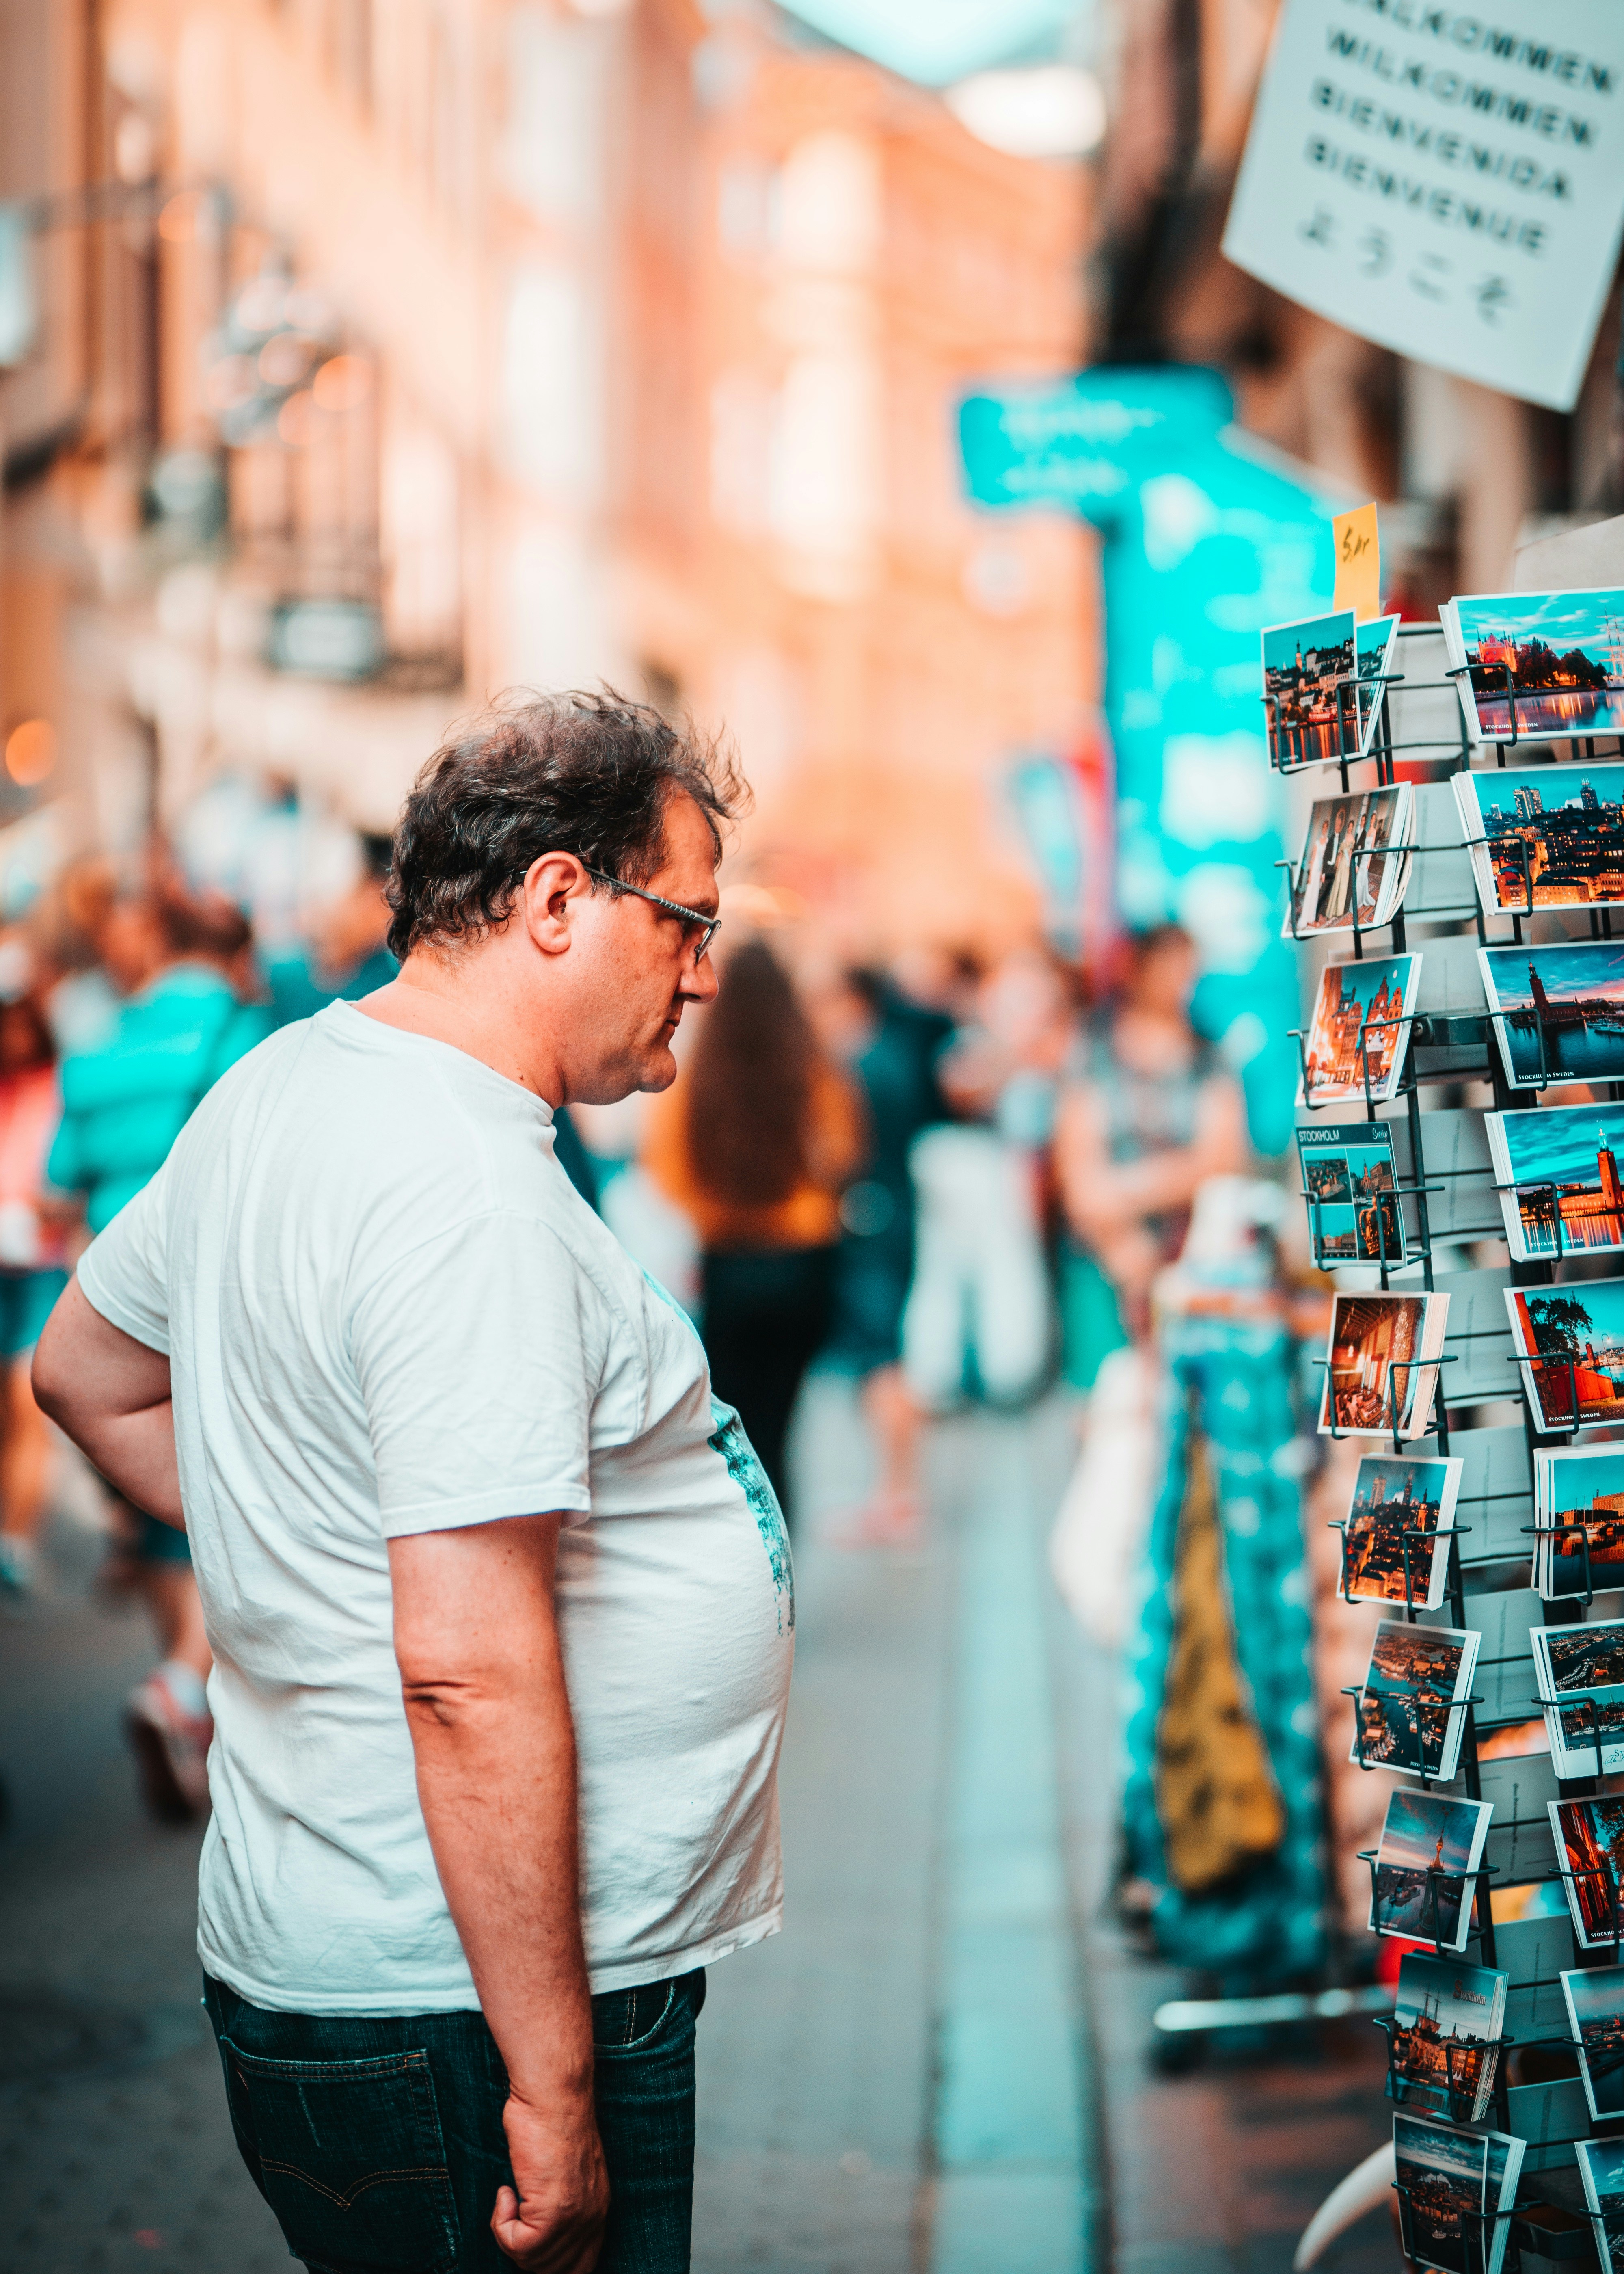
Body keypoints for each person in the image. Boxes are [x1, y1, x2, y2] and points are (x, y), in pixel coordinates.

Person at [34, 690, 790, 2274]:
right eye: (688, 922)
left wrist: (306, 1544)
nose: (705, 971)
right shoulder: (466, 1191)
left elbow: (83, 1370)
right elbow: (466, 1673)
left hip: (354, 1966)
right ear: (559, 899)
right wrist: (553, 2088)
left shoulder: (282, 1087)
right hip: (465, 2006)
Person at [47, 881, 274, 1818]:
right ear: (226, 954)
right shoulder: (242, 1031)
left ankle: (182, 1700)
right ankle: (188, 1689)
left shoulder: (94, 1051)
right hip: (216, 1295)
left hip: (113, 1304)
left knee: (153, 1515)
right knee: (230, 1499)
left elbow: (58, 1185)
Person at [644, 934, 861, 1526]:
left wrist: (715, 1206)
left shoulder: (700, 1071)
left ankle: (753, 1537)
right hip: (804, 1263)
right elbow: (841, 1151)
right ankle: (786, 1540)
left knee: (738, 1423)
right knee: (783, 1422)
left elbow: (666, 1166)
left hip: (729, 1262)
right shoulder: (815, 1066)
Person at [1053, 923, 1250, 1371]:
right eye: (1168, 967)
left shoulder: (1208, 1056)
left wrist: (1123, 1190)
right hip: (1102, 1257)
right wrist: (1123, 1245)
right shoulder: (1092, 1049)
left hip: (1192, 1256)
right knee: (1106, 1390)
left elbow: (1224, 1160)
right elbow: (1078, 1174)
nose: (1180, 981)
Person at [0, 984, 70, 1597]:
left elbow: (74, 1178)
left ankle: (16, 1541)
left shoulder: (63, 1089)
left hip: (40, 1267)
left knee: (27, 1402)